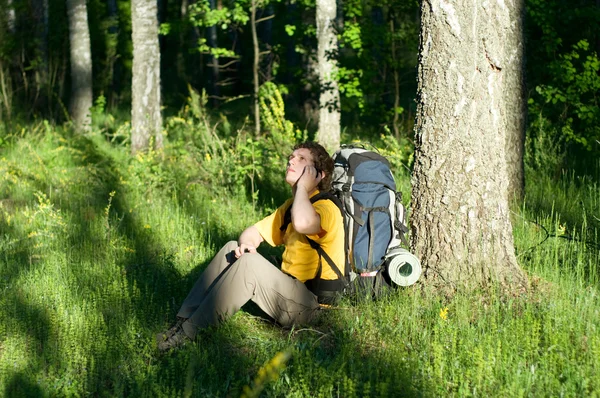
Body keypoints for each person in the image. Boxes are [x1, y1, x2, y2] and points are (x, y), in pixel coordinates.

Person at [157, 141, 345, 352]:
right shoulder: (291, 206)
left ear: (318, 175)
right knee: (231, 249)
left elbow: (303, 223)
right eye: (291, 156)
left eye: (301, 159)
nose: (291, 160)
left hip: (311, 306)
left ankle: (188, 336)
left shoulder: (327, 208)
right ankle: (182, 321)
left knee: (249, 265)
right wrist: (246, 246)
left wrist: (302, 186)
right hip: (289, 292)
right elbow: (251, 233)